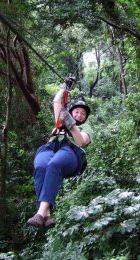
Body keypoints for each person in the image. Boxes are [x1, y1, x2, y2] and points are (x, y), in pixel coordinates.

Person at [27, 77, 92, 228]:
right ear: (71, 112)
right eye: (76, 112)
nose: (79, 115)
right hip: (51, 146)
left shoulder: (87, 129)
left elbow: (81, 141)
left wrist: (71, 125)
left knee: (54, 164)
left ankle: (40, 213)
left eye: (83, 114)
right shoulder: (60, 121)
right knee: (41, 166)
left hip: (70, 150)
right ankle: (46, 215)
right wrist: (65, 88)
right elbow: (57, 101)